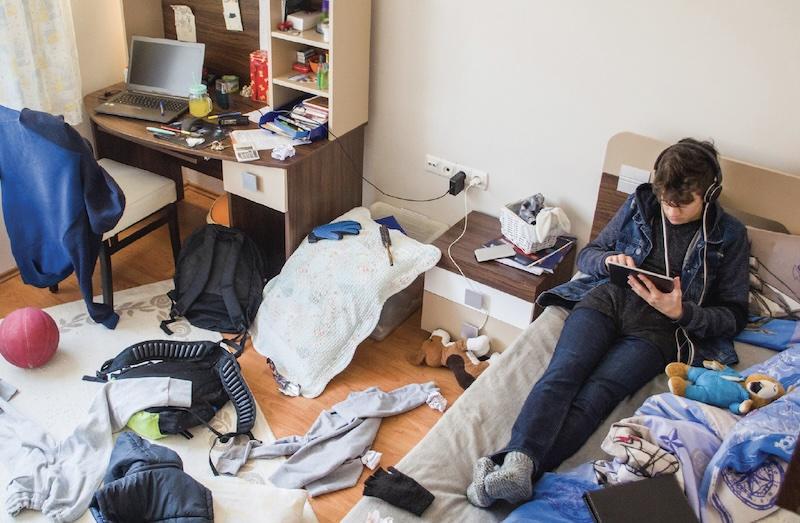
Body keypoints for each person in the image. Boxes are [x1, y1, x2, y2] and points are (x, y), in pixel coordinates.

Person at [466, 138, 750, 507]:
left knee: (598, 395)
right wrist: (609, 263)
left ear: (709, 194)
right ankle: (518, 464)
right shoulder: (641, 204)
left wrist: (683, 313)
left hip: (659, 330)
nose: (672, 211)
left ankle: (515, 469)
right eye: (666, 201)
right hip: (607, 301)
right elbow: (589, 255)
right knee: (563, 372)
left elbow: (734, 315)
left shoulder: (730, 235)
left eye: (683, 204)